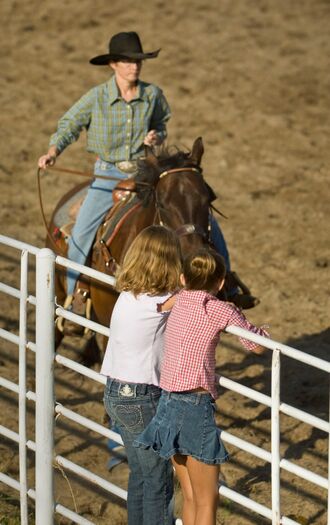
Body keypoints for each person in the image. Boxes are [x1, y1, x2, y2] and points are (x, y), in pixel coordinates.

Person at [37, 30, 236, 315]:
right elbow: (69, 124)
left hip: (147, 173)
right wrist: (53, 151)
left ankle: (227, 286)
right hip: (109, 175)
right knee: (82, 233)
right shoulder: (96, 98)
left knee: (204, 220)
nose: (134, 66)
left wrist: (156, 137)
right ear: (113, 64)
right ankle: (75, 300)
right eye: (128, 61)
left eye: (138, 61)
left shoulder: (152, 95)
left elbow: (162, 124)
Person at [134, 248, 269, 525]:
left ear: (182, 278)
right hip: (195, 407)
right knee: (208, 499)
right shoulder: (219, 309)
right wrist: (261, 330)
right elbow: (255, 346)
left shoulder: (179, 300)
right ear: (220, 283)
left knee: (191, 495)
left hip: (168, 403)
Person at [100, 225, 182, 525]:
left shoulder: (129, 294)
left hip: (116, 393)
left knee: (141, 475)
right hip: (141, 397)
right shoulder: (162, 301)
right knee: (159, 480)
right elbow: (193, 299)